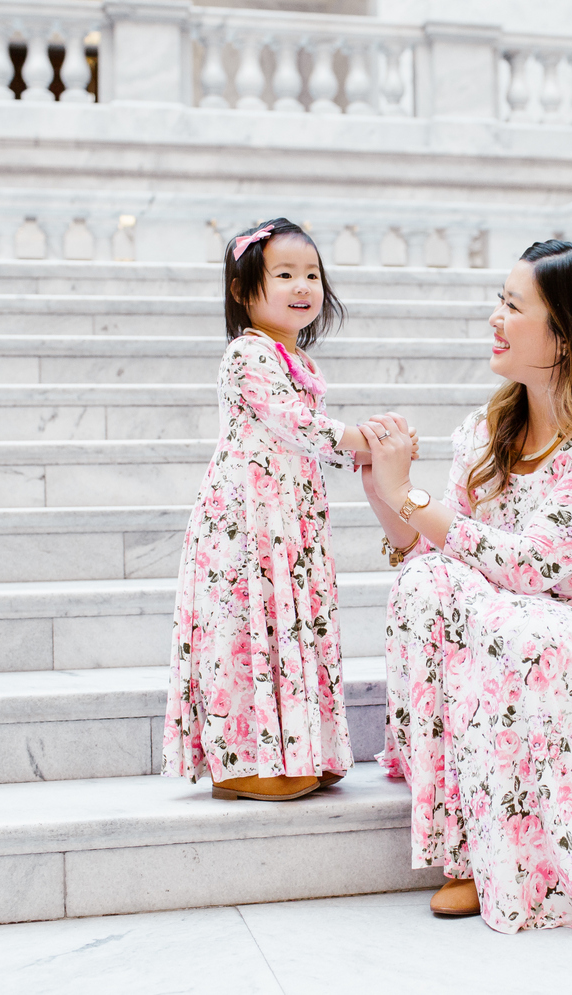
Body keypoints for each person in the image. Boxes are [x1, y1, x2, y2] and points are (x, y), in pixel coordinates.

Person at [357, 239, 572, 935]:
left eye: (514, 306)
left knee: (518, 626)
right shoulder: (487, 431)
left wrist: (412, 495)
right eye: (500, 299)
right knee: (427, 582)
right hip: (511, 645)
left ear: (566, 336)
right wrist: (384, 490)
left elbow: (530, 566)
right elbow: (432, 549)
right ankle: (463, 847)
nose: (496, 317)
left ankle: (524, 863)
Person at [161, 217, 415, 802]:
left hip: (289, 520)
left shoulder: (297, 359)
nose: (303, 286)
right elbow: (295, 423)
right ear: (242, 289)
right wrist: (370, 438)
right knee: (250, 626)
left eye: (312, 275)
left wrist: (371, 449)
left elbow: (307, 439)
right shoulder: (247, 353)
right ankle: (242, 760)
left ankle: (303, 749)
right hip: (249, 520)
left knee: (292, 623)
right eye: (284, 274)